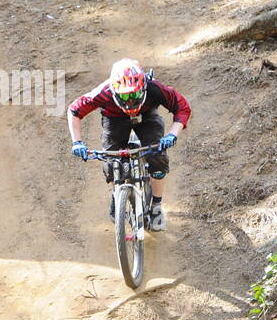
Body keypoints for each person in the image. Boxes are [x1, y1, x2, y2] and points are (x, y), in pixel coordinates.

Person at [67, 58, 190, 231]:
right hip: (114, 118)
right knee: (110, 164)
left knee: (158, 158)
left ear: (144, 87)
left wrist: (172, 135)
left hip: (147, 117)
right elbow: (74, 110)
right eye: (125, 96)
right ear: (114, 91)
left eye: (134, 95)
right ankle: (116, 193)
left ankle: (156, 205)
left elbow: (182, 107)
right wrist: (77, 143)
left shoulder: (154, 88)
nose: (130, 101)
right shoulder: (104, 92)